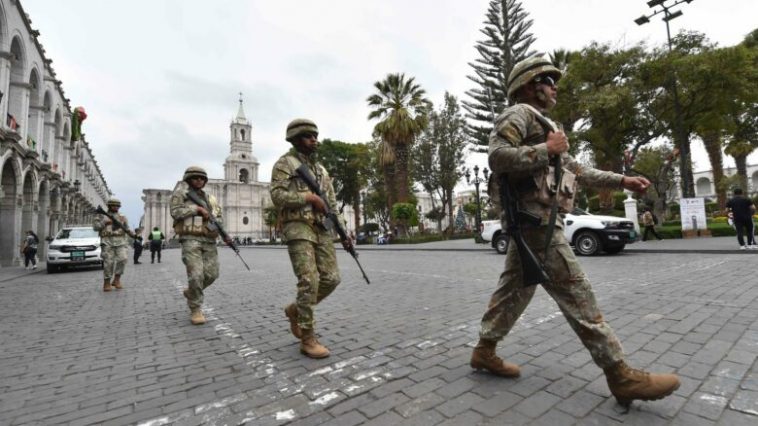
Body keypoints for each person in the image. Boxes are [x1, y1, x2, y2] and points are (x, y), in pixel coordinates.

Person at [470, 55, 680, 408]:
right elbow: (497, 157)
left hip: (536, 224)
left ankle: (483, 350)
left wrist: (622, 180)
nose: (555, 88)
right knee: (579, 295)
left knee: (513, 292)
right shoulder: (517, 114)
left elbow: (575, 169)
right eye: (549, 81)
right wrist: (544, 149)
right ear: (530, 85)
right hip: (536, 226)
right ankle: (621, 375)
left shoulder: (543, 122)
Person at [270, 118, 352, 358]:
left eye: (315, 136)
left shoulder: (322, 171)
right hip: (298, 226)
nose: (314, 140)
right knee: (309, 280)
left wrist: (344, 234)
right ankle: (307, 338)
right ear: (295, 139)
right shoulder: (284, 164)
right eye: (308, 136)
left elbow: (333, 205)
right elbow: (277, 196)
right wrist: (308, 197)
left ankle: (296, 310)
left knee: (332, 278)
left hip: (322, 228)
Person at [170, 166, 231, 325]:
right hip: (191, 238)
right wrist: (195, 209)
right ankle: (196, 308)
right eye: (195, 178)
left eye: (202, 178)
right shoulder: (181, 195)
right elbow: (175, 212)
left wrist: (223, 234)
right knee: (196, 275)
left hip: (209, 239)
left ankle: (191, 292)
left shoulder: (210, 198)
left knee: (212, 274)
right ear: (189, 179)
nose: (199, 180)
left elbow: (218, 216)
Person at [93, 198, 130, 291]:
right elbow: (96, 227)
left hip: (121, 241)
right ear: (109, 206)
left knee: (123, 259)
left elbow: (127, 228)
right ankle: (107, 282)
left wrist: (132, 234)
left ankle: (117, 279)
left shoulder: (122, 217)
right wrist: (105, 222)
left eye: (117, 206)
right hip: (107, 241)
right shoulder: (101, 216)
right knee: (109, 262)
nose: (116, 207)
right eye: (114, 205)